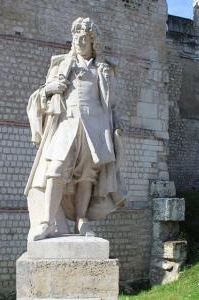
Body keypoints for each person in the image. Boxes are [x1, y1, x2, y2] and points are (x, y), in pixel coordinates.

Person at [25, 17, 127, 241]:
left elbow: (111, 104)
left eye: (84, 38)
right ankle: (47, 222)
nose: (79, 41)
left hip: (95, 127)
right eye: (76, 37)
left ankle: (82, 221)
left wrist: (117, 122)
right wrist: (50, 88)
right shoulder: (61, 64)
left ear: (93, 42)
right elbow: (39, 96)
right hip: (66, 123)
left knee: (87, 177)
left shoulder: (103, 68)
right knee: (56, 170)